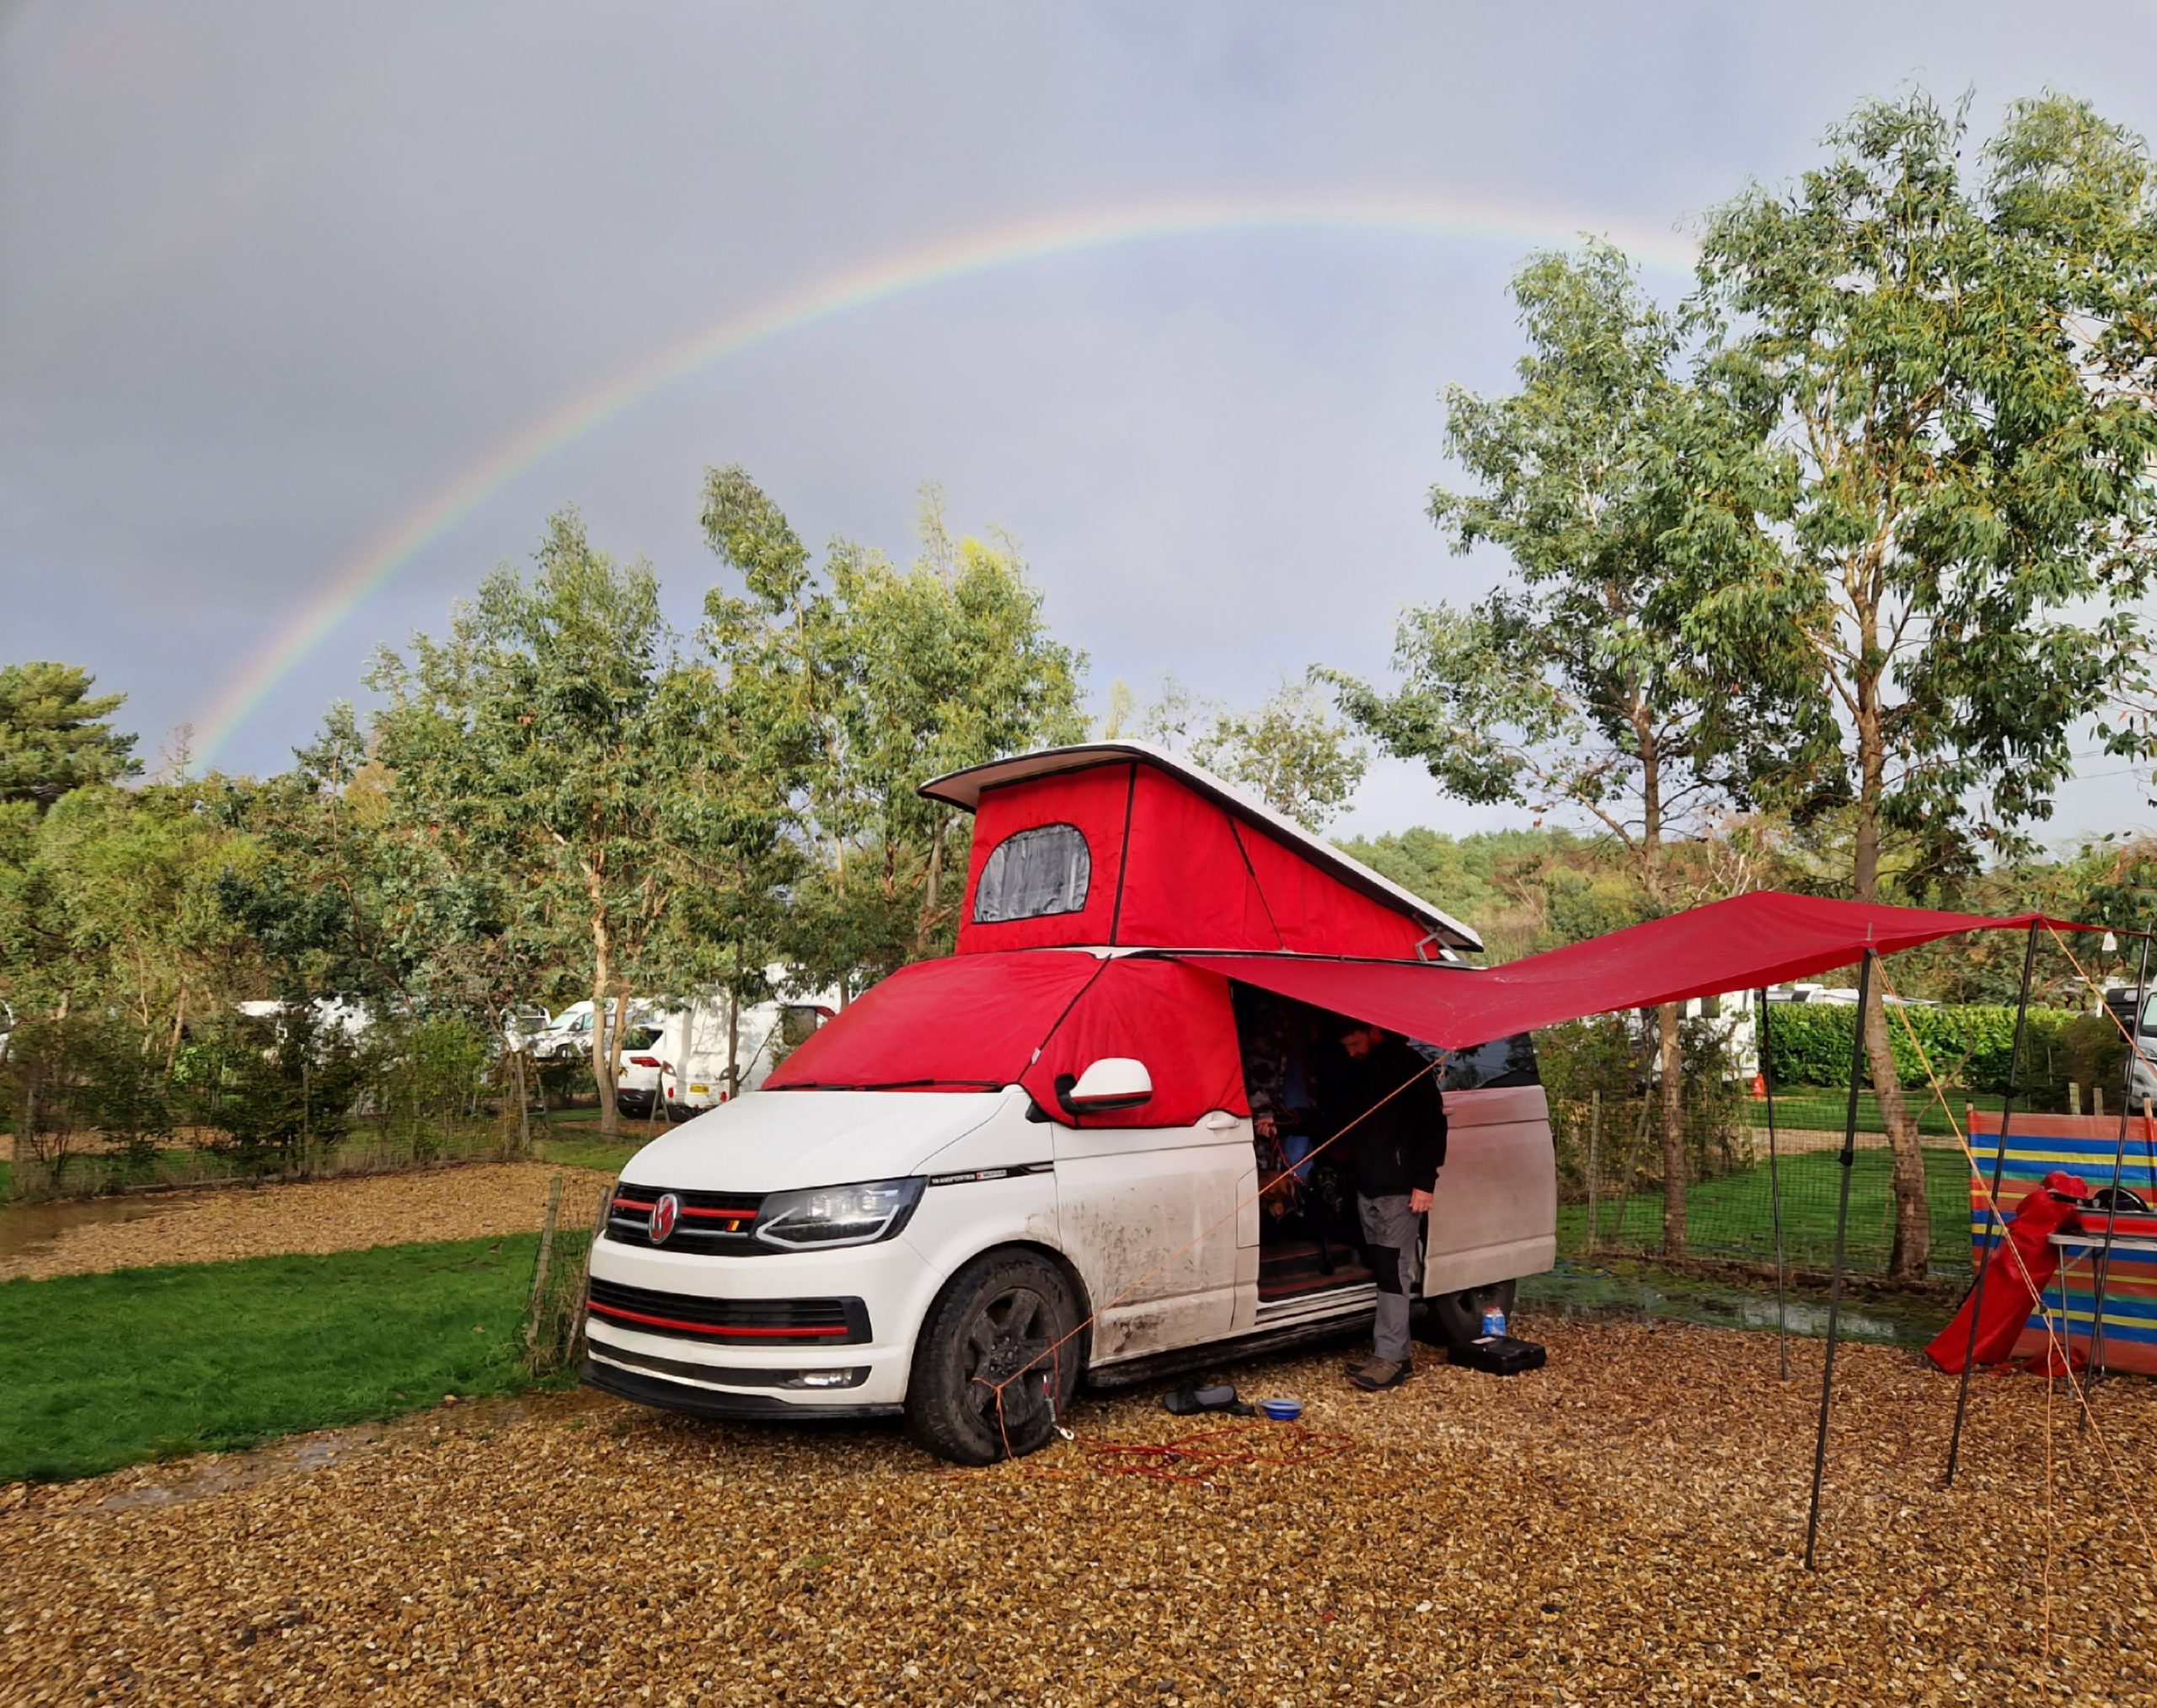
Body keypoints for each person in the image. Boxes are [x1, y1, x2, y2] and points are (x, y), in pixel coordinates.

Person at [1328, 1018, 1448, 1390]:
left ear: (1373, 1031)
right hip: (1369, 1185)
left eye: (1355, 1043)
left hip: (1401, 1188)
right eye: (1346, 1047)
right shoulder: (1362, 1070)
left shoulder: (1409, 1066)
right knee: (1383, 1268)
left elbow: (1433, 1127)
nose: (1352, 1052)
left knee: (1394, 1272)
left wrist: (1424, 1183)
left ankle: (1390, 1359)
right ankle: (1397, 1354)